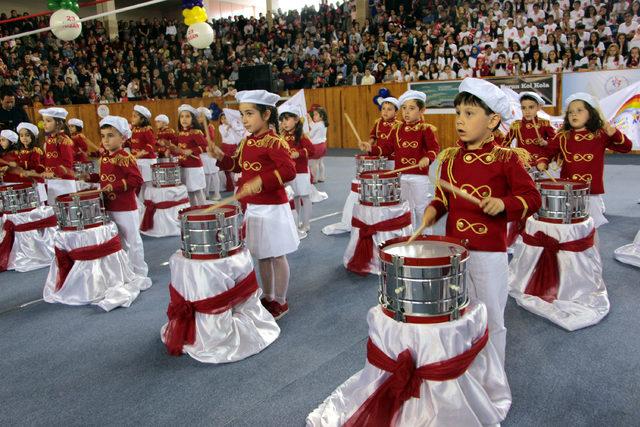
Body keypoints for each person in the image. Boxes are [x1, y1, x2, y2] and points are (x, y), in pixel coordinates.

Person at [418, 77, 542, 365]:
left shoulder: (506, 159)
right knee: (458, 313)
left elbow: (532, 198)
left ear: (492, 120)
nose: (460, 121)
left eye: (470, 114)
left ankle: (493, 375)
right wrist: (432, 211)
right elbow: (443, 199)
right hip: (455, 254)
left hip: (489, 254)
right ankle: (464, 368)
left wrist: (504, 204)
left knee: (491, 316)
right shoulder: (449, 159)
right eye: (458, 113)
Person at [209, 90, 299, 320]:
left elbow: (289, 170)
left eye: (249, 114)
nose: (245, 119)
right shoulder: (246, 141)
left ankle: (281, 299)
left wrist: (261, 180)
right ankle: (267, 295)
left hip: (273, 208)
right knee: (262, 255)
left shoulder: (275, 142)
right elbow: (237, 166)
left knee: (277, 255)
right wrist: (220, 156)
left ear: (266, 114)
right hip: (254, 208)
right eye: (242, 114)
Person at [543, 92, 632, 228]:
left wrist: (614, 133)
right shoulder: (562, 136)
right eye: (570, 112)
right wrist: (542, 161)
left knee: (592, 226)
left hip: (591, 191)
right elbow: (548, 151)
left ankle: (591, 249)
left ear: (590, 113)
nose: (574, 114)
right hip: (568, 189)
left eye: (579, 110)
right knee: (570, 225)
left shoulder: (600, 134)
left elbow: (626, 147)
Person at [359, 90, 440, 232]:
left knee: (421, 207)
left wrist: (427, 158)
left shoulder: (426, 129)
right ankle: (410, 234)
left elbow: (434, 148)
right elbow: (386, 149)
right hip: (401, 174)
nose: (406, 112)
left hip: (419, 175)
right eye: (404, 108)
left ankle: (426, 236)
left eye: (412, 108)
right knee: (406, 207)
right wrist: (370, 148)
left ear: (422, 110)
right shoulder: (396, 129)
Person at [83, 115, 149, 278]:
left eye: (111, 136)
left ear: (123, 138)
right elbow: (104, 177)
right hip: (109, 206)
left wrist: (116, 186)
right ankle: (125, 271)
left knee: (133, 241)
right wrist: (89, 177)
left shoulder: (125, 157)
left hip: (125, 207)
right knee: (118, 241)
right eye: (103, 136)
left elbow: (136, 179)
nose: (106, 140)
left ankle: (139, 272)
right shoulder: (105, 158)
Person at [279, 104, 314, 239]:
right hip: (289, 172)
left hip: (301, 172)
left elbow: (312, 150)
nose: (284, 123)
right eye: (282, 120)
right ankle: (298, 221)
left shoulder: (302, 136)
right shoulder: (282, 137)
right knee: (294, 197)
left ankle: (306, 223)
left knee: (304, 197)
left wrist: (298, 154)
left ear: (296, 120)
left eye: (287, 119)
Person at [504, 92, 556, 170]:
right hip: (522, 158)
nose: (527, 111)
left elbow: (555, 142)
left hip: (541, 157)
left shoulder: (544, 123)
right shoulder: (516, 125)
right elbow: (506, 143)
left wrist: (545, 143)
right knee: (521, 169)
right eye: (524, 108)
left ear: (538, 108)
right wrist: (510, 153)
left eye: (531, 107)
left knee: (541, 166)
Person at [169, 104, 207, 206]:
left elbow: (204, 146)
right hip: (183, 166)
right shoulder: (181, 133)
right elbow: (179, 150)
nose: (184, 119)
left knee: (197, 191)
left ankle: (204, 213)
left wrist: (192, 150)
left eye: (187, 116)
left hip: (194, 167)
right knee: (189, 192)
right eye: (181, 116)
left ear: (193, 119)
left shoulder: (196, 132)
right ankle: (195, 212)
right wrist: (170, 149)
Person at [39, 107, 77, 205]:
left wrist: (54, 173)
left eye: (48, 121)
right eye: (44, 121)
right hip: (52, 181)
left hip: (64, 182)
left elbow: (67, 163)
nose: (44, 124)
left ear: (58, 123)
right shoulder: (49, 140)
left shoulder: (64, 140)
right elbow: (46, 160)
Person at [129, 105, 158, 197]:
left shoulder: (147, 129)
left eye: (135, 116)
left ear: (142, 119)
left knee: (148, 184)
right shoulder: (134, 130)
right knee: (140, 183)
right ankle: (141, 205)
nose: (132, 118)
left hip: (147, 161)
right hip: (137, 160)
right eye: (132, 115)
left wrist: (140, 153)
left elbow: (151, 143)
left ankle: (150, 203)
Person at [365, 97, 400, 168]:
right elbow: (373, 136)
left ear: (396, 112)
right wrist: (368, 144)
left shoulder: (399, 125)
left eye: (389, 109)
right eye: (383, 108)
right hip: (379, 157)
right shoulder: (378, 122)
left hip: (393, 159)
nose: (385, 111)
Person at [196, 106, 221, 201]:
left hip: (209, 153)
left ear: (205, 117)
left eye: (200, 116)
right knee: (206, 174)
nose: (198, 118)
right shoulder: (198, 127)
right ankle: (206, 193)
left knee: (214, 173)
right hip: (203, 153)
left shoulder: (209, 127)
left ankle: (217, 193)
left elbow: (208, 139)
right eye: (197, 117)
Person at [218, 110, 245, 191]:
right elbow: (225, 135)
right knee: (226, 167)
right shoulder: (221, 127)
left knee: (235, 165)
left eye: (225, 118)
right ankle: (229, 185)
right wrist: (229, 127)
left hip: (234, 147)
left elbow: (240, 132)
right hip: (225, 147)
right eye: (222, 119)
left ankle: (236, 184)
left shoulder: (234, 125)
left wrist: (233, 126)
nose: (224, 120)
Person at [308, 106, 329, 183]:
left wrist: (304, 133)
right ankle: (322, 177)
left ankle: (314, 179)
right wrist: (309, 118)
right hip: (322, 146)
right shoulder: (322, 124)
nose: (314, 116)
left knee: (314, 163)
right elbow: (313, 126)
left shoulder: (318, 125)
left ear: (321, 116)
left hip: (316, 146)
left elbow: (310, 135)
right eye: (313, 114)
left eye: (316, 114)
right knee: (320, 162)